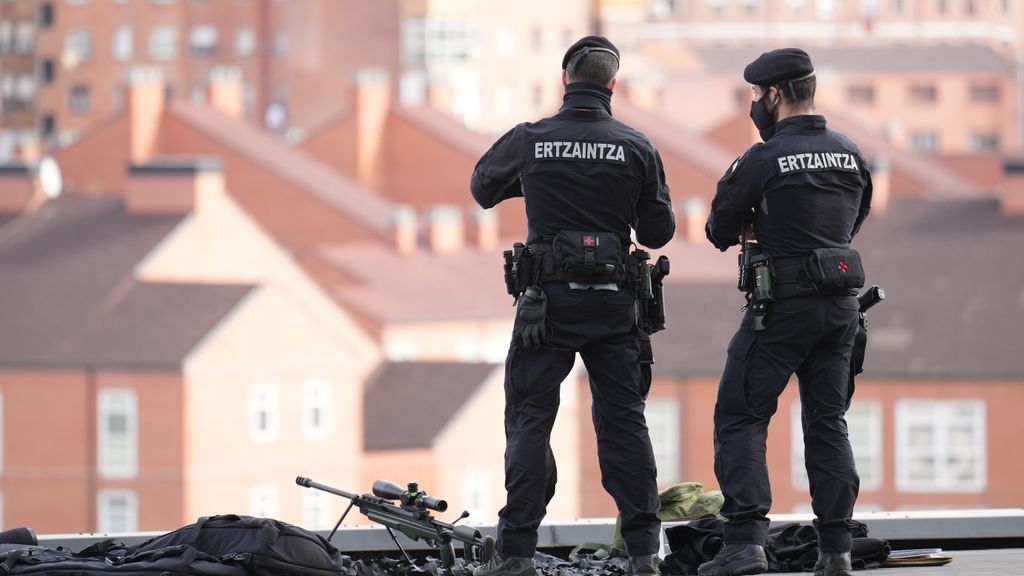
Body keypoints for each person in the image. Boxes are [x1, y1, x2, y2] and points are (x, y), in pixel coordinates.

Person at [470, 36, 675, 576]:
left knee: (530, 421)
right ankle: (642, 555)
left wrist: (536, 186)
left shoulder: (531, 139)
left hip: (545, 309)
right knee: (625, 423)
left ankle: (514, 554)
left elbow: (482, 189)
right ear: (612, 85)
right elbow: (658, 230)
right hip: (616, 306)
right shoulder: (635, 145)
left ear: (565, 79)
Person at [700, 48, 872, 576]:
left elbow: (717, 231)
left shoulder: (760, 159)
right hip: (842, 311)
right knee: (827, 422)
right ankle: (836, 551)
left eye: (756, 96)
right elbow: (852, 221)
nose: (754, 105)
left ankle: (746, 544)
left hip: (781, 312)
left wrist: (760, 221)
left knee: (742, 417)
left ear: (773, 95)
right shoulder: (850, 153)